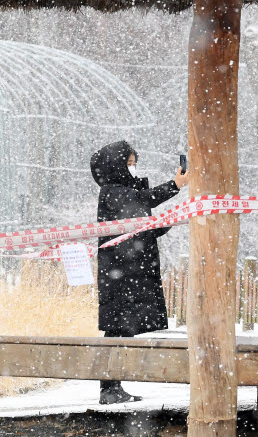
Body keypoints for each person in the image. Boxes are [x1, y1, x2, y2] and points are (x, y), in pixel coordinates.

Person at [89, 140, 189, 404]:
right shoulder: (113, 192)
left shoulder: (121, 192)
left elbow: (140, 227)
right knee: (117, 329)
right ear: (115, 167)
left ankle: (112, 387)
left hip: (126, 272)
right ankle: (109, 388)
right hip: (120, 276)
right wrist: (175, 186)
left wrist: (166, 221)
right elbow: (143, 201)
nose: (133, 169)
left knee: (121, 329)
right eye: (129, 164)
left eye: (134, 164)